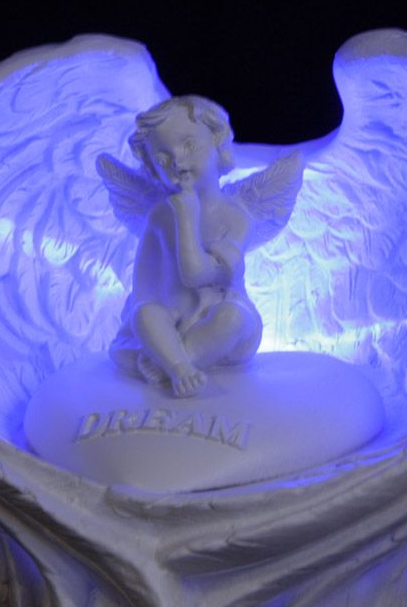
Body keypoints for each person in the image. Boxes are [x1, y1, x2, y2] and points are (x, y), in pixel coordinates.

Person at [97, 96, 301, 397]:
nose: (177, 162)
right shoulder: (158, 217)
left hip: (219, 321)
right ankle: (177, 364)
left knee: (234, 318)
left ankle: (173, 363)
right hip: (173, 320)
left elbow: (196, 275)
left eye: (189, 145)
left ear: (218, 144)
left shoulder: (235, 217)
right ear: (151, 169)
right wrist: (149, 321)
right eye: (162, 160)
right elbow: (143, 284)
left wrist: (186, 217)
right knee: (144, 314)